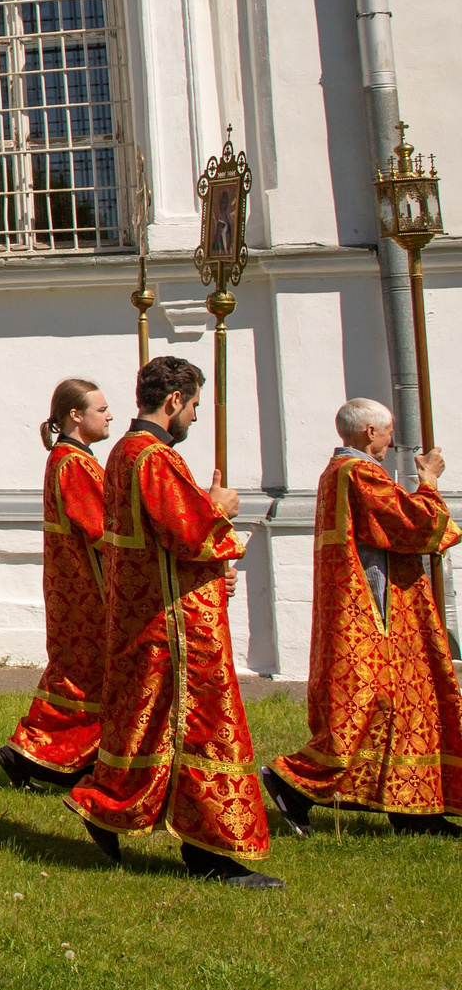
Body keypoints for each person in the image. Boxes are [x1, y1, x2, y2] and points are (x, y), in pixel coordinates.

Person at [66, 357, 278, 888]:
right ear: (175, 400)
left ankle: (105, 807)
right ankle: (211, 852)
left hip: (152, 612)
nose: (196, 418)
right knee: (205, 730)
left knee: (149, 726)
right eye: (195, 406)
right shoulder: (154, 456)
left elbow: (164, 533)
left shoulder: (123, 452)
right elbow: (189, 532)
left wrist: (210, 554)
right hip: (179, 625)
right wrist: (220, 508)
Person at [262, 399, 458, 838]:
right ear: (371, 432)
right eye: (388, 432)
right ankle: (295, 783)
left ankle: (414, 811)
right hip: (378, 613)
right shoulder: (360, 472)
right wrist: (428, 481)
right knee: (369, 708)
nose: (391, 439)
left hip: (367, 610)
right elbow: (415, 525)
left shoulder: (337, 471)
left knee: (400, 707)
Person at [0, 379, 114, 792]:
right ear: (75, 416)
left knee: (83, 675)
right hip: (86, 590)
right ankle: (33, 752)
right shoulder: (73, 464)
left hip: (78, 587)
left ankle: (67, 758)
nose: (110, 416)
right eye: (101, 409)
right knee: (82, 677)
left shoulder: (71, 459)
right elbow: (102, 528)